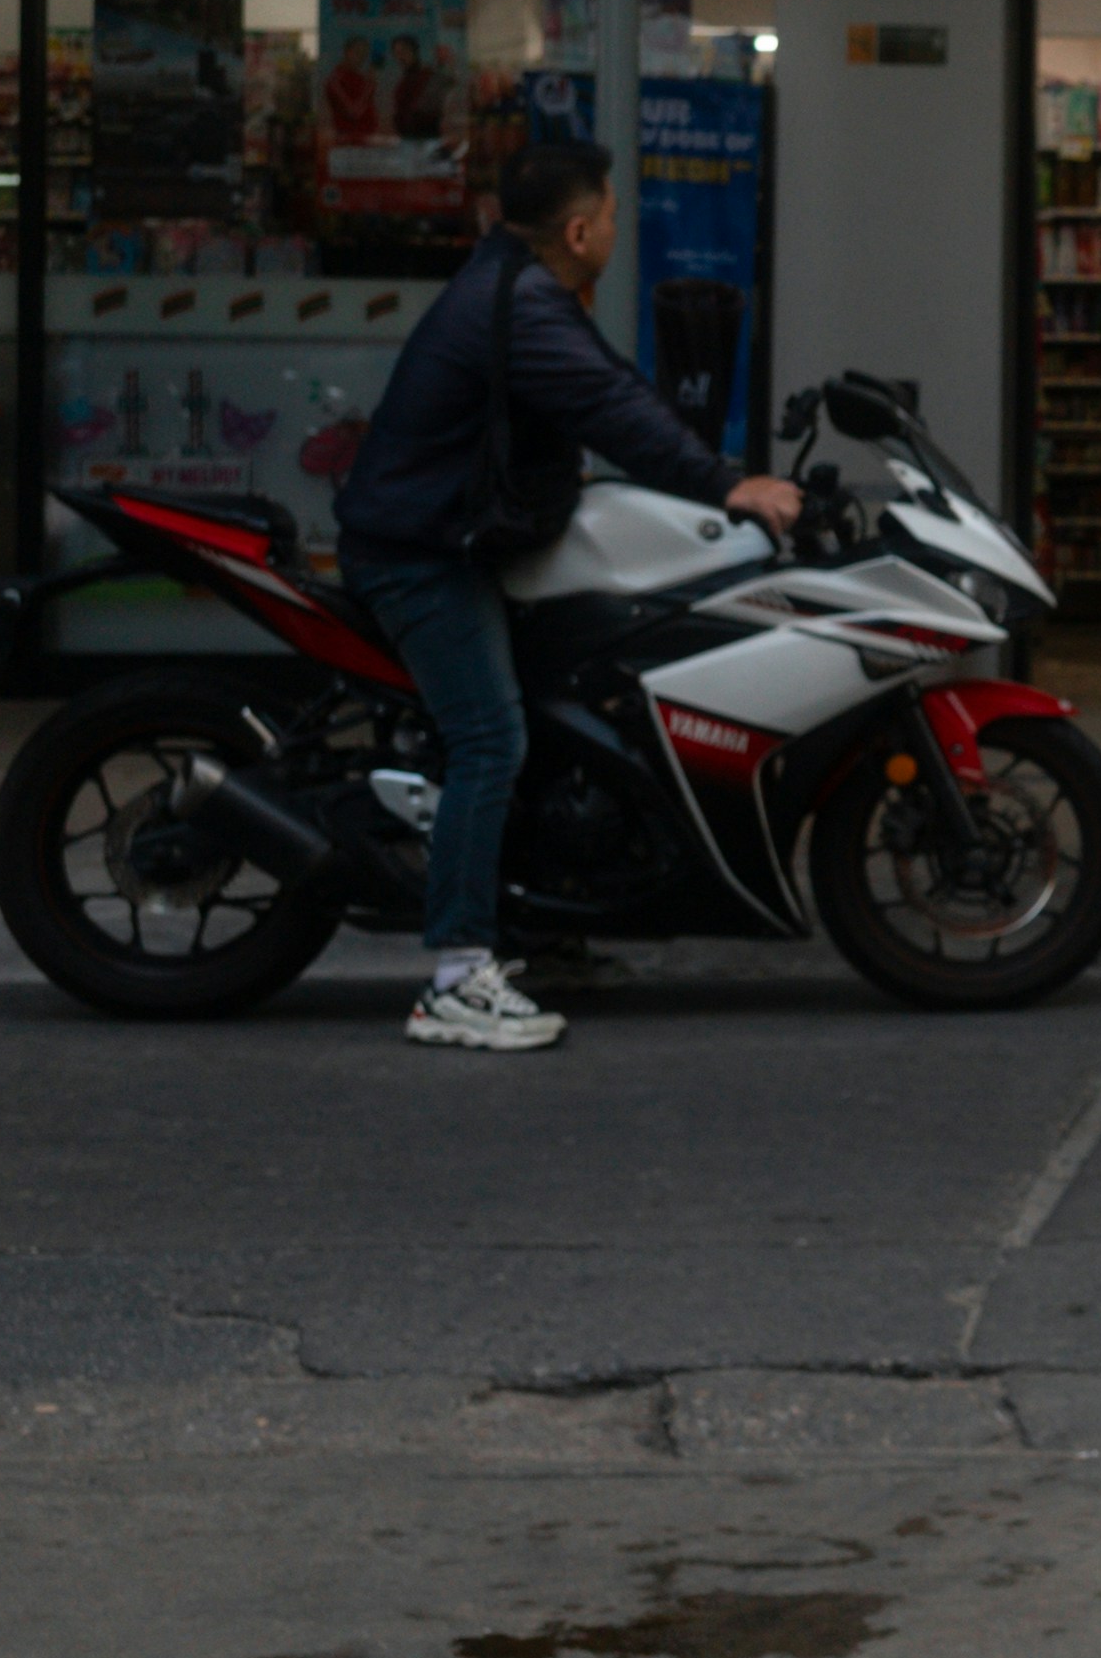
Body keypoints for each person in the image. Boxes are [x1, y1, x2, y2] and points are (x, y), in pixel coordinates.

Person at [334, 123, 800, 1052]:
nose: (617, 226)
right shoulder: (523, 305)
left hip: (459, 532)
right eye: (614, 213)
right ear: (581, 232)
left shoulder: (515, 283)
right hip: (422, 551)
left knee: (563, 706)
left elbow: (605, 390)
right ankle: (459, 977)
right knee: (491, 737)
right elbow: (612, 408)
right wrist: (727, 485)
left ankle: (536, 928)